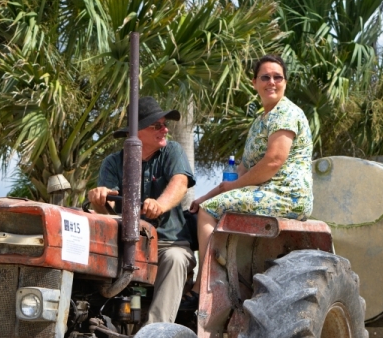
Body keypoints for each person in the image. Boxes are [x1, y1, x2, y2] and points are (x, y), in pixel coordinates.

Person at [190, 55, 314, 286]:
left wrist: (225, 192)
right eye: (265, 77)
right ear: (254, 82)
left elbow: (274, 161)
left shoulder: (285, 113)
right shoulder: (260, 121)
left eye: (278, 77)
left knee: (209, 212)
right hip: (264, 193)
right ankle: (225, 278)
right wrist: (206, 196)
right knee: (204, 207)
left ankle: (203, 287)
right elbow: (243, 168)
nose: (272, 82)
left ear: (285, 83)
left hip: (286, 195)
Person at [87, 96, 196, 324]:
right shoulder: (113, 163)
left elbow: (180, 183)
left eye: (165, 124)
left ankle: (152, 336)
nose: (165, 129)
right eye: (157, 125)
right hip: (126, 244)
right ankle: (91, 320)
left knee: (176, 259)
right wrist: (100, 200)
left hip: (167, 243)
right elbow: (110, 209)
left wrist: (161, 204)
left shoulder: (172, 152)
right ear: (135, 134)